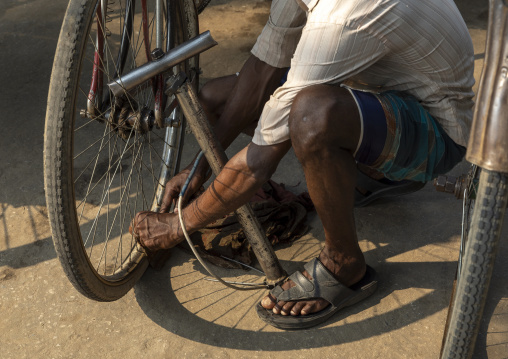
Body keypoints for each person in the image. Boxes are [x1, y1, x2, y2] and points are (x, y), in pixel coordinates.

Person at [131, 0, 474, 329]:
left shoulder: (342, 17)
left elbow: (258, 163)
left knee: (312, 117)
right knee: (218, 99)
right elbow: (261, 71)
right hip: (380, 92)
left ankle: (344, 264)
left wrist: (176, 227)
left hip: (435, 133)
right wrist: (197, 170)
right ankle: (361, 177)